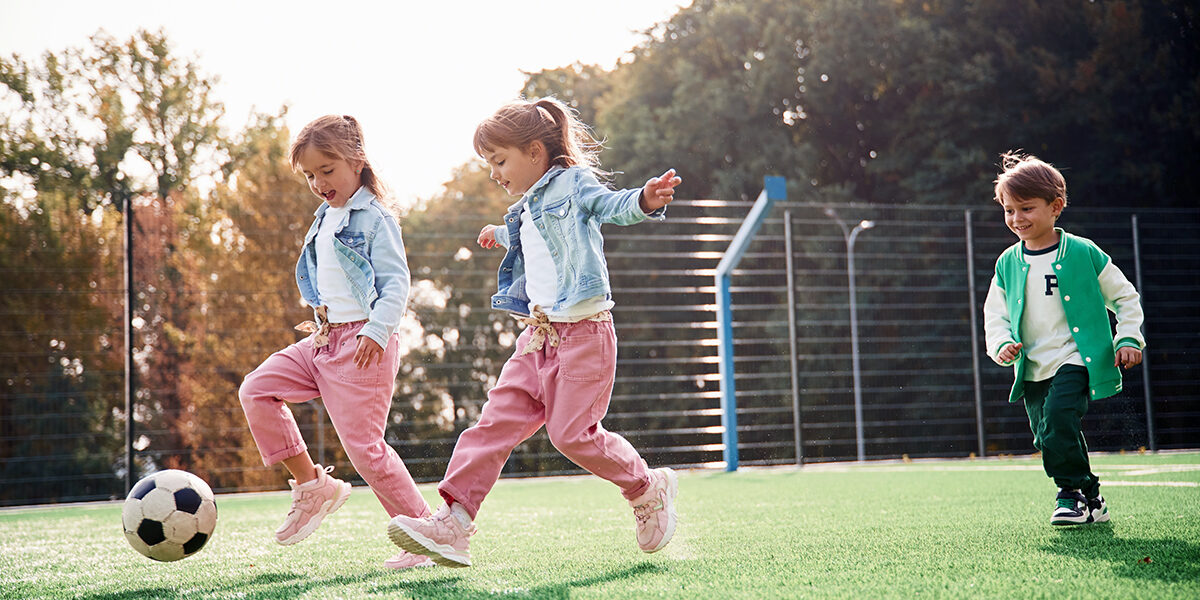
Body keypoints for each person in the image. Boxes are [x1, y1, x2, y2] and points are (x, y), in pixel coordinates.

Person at [387, 97, 683, 567]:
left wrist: (645, 200)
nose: (493, 173)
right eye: (489, 164)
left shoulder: (573, 183)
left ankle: (646, 488)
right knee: (491, 425)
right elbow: (536, 236)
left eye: (499, 160)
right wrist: (500, 233)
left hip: (585, 336)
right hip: (538, 339)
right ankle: (453, 524)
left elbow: (610, 206)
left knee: (572, 435)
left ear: (535, 152)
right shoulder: (525, 207)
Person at [238, 115, 434, 570]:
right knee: (256, 389)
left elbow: (396, 283)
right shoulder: (325, 216)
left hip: (363, 344)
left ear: (356, 161)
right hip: (323, 340)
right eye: (309, 174)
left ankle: (423, 532)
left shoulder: (375, 218)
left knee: (366, 450)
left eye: (327, 170)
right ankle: (312, 485)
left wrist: (377, 330)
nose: (318, 182)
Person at [983, 151, 1145, 526]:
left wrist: (1128, 339)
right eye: (1009, 210)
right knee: (1049, 437)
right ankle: (1091, 495)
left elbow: (1125, 297)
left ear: (1055, 207)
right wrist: (1001, 342)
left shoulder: (1084, 253)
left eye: (1026, 208)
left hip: (1076, 359)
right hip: (1033, 366)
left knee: (1058, 421)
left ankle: (1069, 495)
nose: (1016, 219)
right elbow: (996, 313)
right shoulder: (1007, 262)